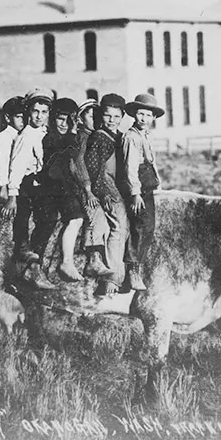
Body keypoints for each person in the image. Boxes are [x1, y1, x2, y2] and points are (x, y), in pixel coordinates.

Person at [31, 97, 85, 282]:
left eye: (69, 120)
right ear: (53, 118)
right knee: (47, 221)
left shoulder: (64, 138)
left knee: (77, 218)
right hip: (49, 188)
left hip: (63, 188)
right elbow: (68, 149)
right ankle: (33, 266)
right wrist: (72, 130)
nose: (64, 124)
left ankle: (67, 262)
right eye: (61, 119)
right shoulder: (50, 138)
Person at [9, 87, 54, 289]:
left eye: (44, 112)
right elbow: (17, 167)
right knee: (45, 217)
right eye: (36, 111)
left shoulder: (44, 132)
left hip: (40, 180)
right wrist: (12, 194)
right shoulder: (27, 135)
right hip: (27, 183)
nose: (39, 116)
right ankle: (33, 264)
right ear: (28, 112)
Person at [85, 93, 130, 296]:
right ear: (101, 116)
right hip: (106, 187)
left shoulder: (120, 136)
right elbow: (94, 169)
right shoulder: (99, 137)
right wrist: (103, 193)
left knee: (127, 227)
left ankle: (126, 272)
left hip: (119, 186)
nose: (112, 121)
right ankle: (111, 278)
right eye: (107, 116)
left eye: (116, 117)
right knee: (118, 227)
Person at [120, 93, 165, 292]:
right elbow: (130, 168)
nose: (143, 119)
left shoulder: (145, 136)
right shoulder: (131, 137)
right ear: (134, 115)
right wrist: (135, 193)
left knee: (149, 227)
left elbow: (151, 163)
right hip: (137, 190)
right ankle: (132, 270)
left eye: (147, 115)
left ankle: (139, 265)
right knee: (140, 226)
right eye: (140, 114)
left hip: (146, 188)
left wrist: (157, 184)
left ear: (153, 118)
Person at [69, 98, 113, 279]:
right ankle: (93, 260)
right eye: (89, 114)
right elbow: (77, 164)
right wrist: (88, 190)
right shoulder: (82, 137)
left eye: (97, 113)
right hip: (81, 186)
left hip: (95, 187)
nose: (94, 118)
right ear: (80, 118)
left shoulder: (97, 136)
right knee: (97, 216)